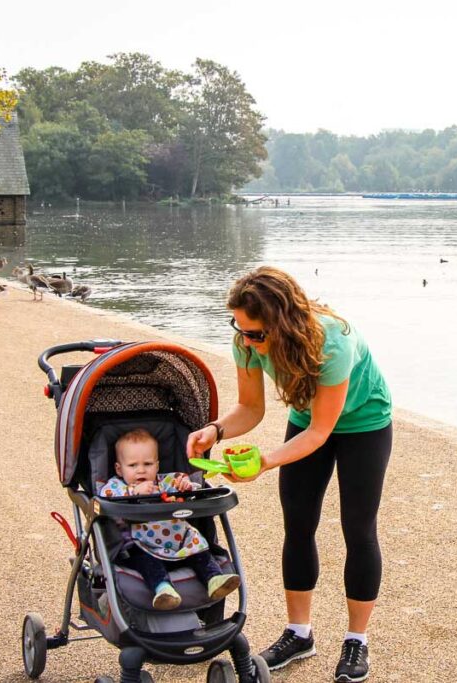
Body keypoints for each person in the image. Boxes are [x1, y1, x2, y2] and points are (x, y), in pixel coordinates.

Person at [186, 266, 393, 683]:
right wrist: (215, 430)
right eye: (240, 329)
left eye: (256, 334)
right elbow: (251, 409)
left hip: (365, 423)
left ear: (283, 323)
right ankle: (299, 634)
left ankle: (357, 640)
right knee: (298, 525)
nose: (247, 341)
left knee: (359, 529)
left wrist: (265, 461)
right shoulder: (247, 340)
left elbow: (322, 431)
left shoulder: (334, 341)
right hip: (307, 420)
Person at [100, 428, 240, 610]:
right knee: (146, 563)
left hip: (179, 542)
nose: (141, 470)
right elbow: (105, 497)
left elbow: (189, 486)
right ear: (119, 469)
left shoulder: (166, 482)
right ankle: (163, 589)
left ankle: (214, 579)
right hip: (144, 545)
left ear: (157, 466)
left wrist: (186, 487)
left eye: (148, 464)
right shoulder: (117, 487)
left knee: (199, 551)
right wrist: (133, 492)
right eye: (133, 465)